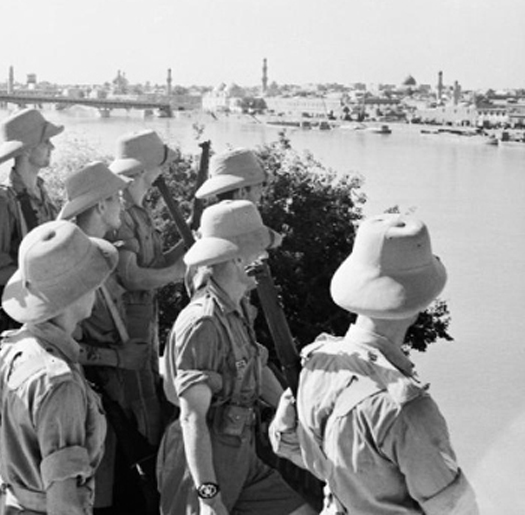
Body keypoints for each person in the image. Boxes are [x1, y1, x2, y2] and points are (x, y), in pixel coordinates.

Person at [269, 214, 479, 514]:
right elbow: (454, 509)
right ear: (420, 301)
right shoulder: (406, 408)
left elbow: (283, 440)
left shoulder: (316, 361)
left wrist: (348, 480)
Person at [158, 200, 314, 515]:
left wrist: (303, 410)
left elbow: (254, 370)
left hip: (241, 452)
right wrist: (208, 495)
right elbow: (191, 417)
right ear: (236, 257)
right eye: (259, 248)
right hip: (202, 464)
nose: (265, 256)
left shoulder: (235, 309)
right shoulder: (203, 322)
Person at [0, 220, 113, 515]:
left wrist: (18, 455)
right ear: (74, 293)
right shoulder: (59, 380)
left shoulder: (11, 350)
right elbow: (64, 505)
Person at [58, 161, 152, 512]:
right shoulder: (78, 262)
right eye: (114, 198)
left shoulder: (93, 253)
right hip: (93, 397)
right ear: (99, 206)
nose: (121, 205)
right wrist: (118, 358)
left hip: (110, 397)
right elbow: (62, 345)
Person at [107, 129, 187, 447]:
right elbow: (131, 277)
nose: (163, 171)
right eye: (159, 164)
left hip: (144, 322)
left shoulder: (138, 209)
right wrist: (177, 272)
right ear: (141, 169)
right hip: (127, 325)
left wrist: (186, 244)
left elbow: (154, 267)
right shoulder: (123, 212)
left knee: (148, 399)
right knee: (139, 409)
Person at [0, 108, 63, 307]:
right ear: (27, 148)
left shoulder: (41, 190)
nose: (52, 147)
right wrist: (41, 276)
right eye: (45, 141)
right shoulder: (3, 200)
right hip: (23, 309)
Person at [195, 147, 270, 205]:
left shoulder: (210, 221)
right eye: (261, 184)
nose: (262, 190)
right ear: (242, 192)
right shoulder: (249, 223)